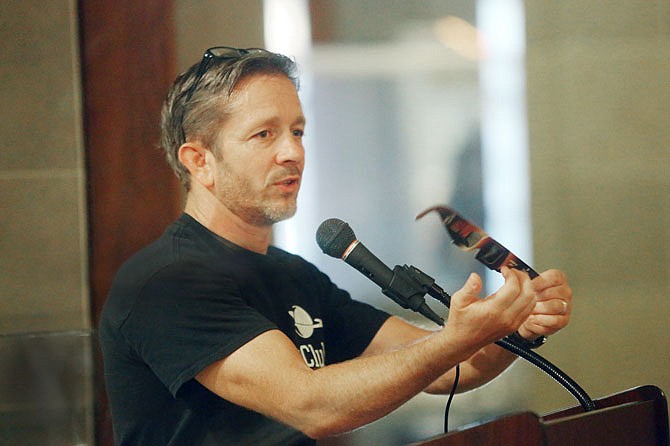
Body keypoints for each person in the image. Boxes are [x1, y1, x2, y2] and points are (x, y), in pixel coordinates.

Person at [99, 46, 573, 446]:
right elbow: (310, 405)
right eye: (265, 134)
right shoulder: (168, 282)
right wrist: (459, 337)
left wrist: (516, 326)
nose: (292, 152)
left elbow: (456, 367)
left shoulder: (294, 275)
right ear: (200, 161)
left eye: (297, 131)